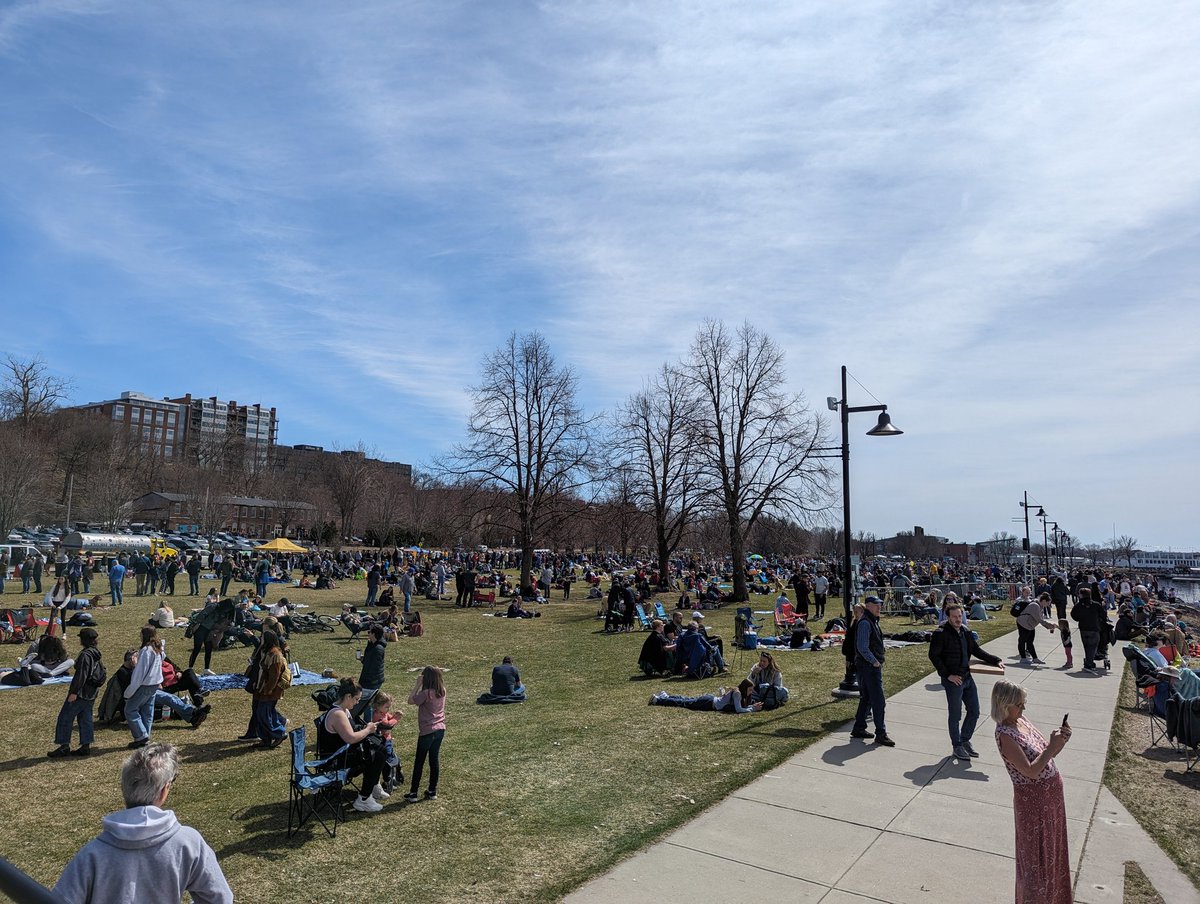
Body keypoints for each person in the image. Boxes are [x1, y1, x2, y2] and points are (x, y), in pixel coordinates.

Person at [53, 742, 233, 904]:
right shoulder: (188, 843)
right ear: (164, 791)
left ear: (124, 788)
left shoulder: (92, 854)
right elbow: (220, 898)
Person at [992, 680, 1073, 904]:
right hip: (1033, 804)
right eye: (1019, 704)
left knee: (1053, 854)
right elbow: (1030, 771)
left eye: (1023, 703)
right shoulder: (1005, 735)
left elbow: (1045, 755)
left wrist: (1060, 741)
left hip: (1052, 799)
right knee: (1036, 862)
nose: (1023, 708)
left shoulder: (1022, 721)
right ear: (1004, 705)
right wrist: (1051, 748)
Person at [928, 601, 1003, 759]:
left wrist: (995, 660)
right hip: (953, 681)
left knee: (974, 711)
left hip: (967, 678)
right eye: (954, 616)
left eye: (960, 616)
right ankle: (957, 746)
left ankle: (965, 740)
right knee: (955, 715)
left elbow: (976, 650)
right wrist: (947, 675)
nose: (958, 619)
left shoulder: (965, 631)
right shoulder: (940, 633)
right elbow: (933, 656)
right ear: (947, 617)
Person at [317, 677, 389, 813]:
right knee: (377, 754)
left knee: (380, 747)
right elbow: (350, 738)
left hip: (342, 754)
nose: (357, 703)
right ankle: (363, 799)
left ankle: (373, 786)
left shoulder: (344, 710)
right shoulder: (337, 714)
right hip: (335, 761)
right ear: (348, 696)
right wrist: (367, 730)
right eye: (356, 699)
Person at [48, 627, 106, 758]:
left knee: (65, 717)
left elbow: (81, 676)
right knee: (85, 719)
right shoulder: (95, 653)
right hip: (91, 693)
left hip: (81, 693)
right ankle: (85, 746)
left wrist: (73, 692)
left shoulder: (86, 655)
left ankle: (64, 746)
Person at [851, 596, 894, 746]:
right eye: (876, 605)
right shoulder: (865, 623)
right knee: (878, 701)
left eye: (880, 604)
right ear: (868, 606)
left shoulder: (872, 621)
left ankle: (859, 728)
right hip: (868, 668)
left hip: (867, 667)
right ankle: (881, 733)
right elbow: (862, 647)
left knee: (867, 698)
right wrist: (874, 661)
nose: (879, 607)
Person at [406, 665, 447, 802]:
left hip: (427, 731)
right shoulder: (442, 691)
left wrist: (417, 685)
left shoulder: (426, 693)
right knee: (434, 759)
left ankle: (413, 793)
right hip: (440, 728)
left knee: (419, 761)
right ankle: (432, 790)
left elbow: (410, 700)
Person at [125, 626, 165, 748]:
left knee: (130, 710)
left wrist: (129, 692)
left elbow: (140, 673)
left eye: (141, 634)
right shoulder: (157, 649)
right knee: (147, 711)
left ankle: (141, 736)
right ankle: (145, 735)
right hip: (154, 684)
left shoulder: (146, 651)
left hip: (145, 685)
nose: (140, 636)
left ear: (145, 635)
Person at [251, 630, 289, 748]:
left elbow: (274, 675)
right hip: (261, 687)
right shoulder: (267, 652)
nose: (260, 639)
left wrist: (268, 689)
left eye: (262, 637)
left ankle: (279, 733)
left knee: (264, 713)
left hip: (270, 689)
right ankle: (265, 739)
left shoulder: (275, 655)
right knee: (260, 713)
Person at [649, 679, 762, 712]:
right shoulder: (737, 693)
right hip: (708, 703)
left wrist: (751, 706)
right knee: (684, 703)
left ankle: (665, 696)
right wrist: (753, 709)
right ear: (744, 688)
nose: (751, 692)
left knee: (685, 700)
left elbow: (740, 707)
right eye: (750, 689)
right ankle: (658, 700)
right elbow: (738, 709)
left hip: (710, 699)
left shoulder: (740, 694)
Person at [1070, 587, 1107, 674]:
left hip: (1083, 628)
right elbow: (1103, 615)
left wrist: (1080, 619)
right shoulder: (1096, 604)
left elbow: (1073, 615)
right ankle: (1089, 664)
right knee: (1093, 647)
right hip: (1094, 628)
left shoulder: (1078, 605)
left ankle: (1088, 661)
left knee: (1086, 646)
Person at [1015, 592, 1057, 666]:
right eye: (1048, 603)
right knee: (1022, 640)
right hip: (1023, 623)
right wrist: (1049, 626)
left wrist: (1048, 625)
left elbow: (1040, 619)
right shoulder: (1035, 606)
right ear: (1043, 601)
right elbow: (1039, 619)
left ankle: (1035, 658)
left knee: (1030, 642)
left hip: (1030, 625)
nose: (1048, 605)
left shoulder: (1040, 606)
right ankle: (1023, 658)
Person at [358, 624, 387, 715]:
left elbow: (375, 667)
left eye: (369, 632)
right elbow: (369, 662)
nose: (368, 633)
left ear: (374, 634)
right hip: (370, 679)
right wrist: (364, 659)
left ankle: (368, 724)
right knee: (367, 704)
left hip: (372, 681)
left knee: (367, 704)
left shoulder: (378, 649)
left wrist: (366, 682)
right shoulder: (373, 645)